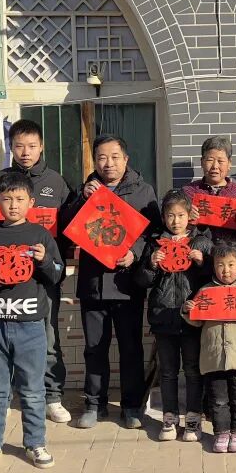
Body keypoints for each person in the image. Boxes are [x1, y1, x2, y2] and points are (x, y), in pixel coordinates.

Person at [0, 119, 76, 423]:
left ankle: (52, 396)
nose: (25, 152)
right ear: (11, 148)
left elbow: (71, 224)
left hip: (41, 276)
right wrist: (0, 234)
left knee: (48, 338)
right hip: (2, 279)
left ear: (41, 147)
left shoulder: (56, 182)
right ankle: (0, 401)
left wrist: (52, 257)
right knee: (2, 342)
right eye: (19, 146)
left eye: (31, 146)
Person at [63, 134, 161, 429]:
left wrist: (135, 253)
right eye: (102, 158)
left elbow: (155, 233)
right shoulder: (86, 190)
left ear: (126, 159)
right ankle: (94, 404)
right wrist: (82, 198)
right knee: (95, 348)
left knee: (131, 348)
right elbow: (64, 225)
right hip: (93, 283)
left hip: (126, 283)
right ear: (95, 161)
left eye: (115, 157)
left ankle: (131, 406)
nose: (108, 163)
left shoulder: (143, 191)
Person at [0, 173, 63, 471]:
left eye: (20, 199)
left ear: (31, 202)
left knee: (33, 391)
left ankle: (35, 443)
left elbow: (57, 274)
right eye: (7, 199)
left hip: (31, 325)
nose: (13, 205)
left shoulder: (40, 235)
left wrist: (44, 260)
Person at [132, 190, 212, 442]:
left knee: (193, 371)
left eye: (180, 215)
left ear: (189, 216)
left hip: (192, 318)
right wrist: (151, 264)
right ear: (164, 217)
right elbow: (141, 281)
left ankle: (193, 420)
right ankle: (169, 418)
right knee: (167, 371)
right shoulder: (155, 243)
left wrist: (203, 263)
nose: (175, 221)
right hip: (163, 317)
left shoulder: (201, 242)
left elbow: (217, 278)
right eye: (170, 216)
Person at [183, 243, 236, 453]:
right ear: (213, 267)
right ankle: (221, 433)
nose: (226, 270)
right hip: (214, 357)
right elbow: (196, 321)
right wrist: (187, 310)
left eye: (231, 265)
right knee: (218, 400)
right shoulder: (205, 291)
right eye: (220, 265)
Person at [181, 135, 236, 265]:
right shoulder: (188, 192)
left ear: (229, 163)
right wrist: (186, 220)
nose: (215, 166)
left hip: (234, 262)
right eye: (210, 160)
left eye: (220, 161)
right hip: (198, 260)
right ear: (202, 162)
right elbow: (172, 228)